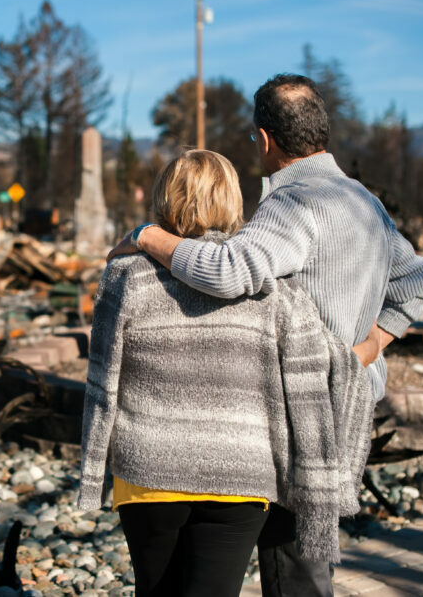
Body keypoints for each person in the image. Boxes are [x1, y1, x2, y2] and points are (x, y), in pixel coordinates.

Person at [109, 74, 423, 596]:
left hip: (299, 411)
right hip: (350, 405)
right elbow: (416, 284)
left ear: (263, 139)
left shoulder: (293, 204)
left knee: (291, 571)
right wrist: (369, 349)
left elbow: (227, 271)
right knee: (309, 564)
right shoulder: (363, 202)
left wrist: (147, 236)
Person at [79, 149, 374, 597]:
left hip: (149, 470)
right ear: (234, 201)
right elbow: (309, 377)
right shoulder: (270, 285)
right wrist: (369, 349)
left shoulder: (126, 273)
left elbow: (103, 381)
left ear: (164, 198)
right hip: (241, 475)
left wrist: (92, 473)